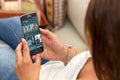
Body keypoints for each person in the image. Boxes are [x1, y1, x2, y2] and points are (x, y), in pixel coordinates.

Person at [14, 0, 120, 80]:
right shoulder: (108, 58)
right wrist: (64, 53)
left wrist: (29, 78)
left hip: (33, 76)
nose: (86, 30)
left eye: (89, 24)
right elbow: (87, 56)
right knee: (11, 23)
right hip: (52, 67)